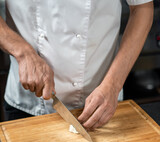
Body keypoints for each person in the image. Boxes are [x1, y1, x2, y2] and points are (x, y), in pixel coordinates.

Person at [0, 0, 153, 129]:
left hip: (102, 101)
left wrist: (113, 85)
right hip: (28, 102)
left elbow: (141, 8)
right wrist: (22, 52)